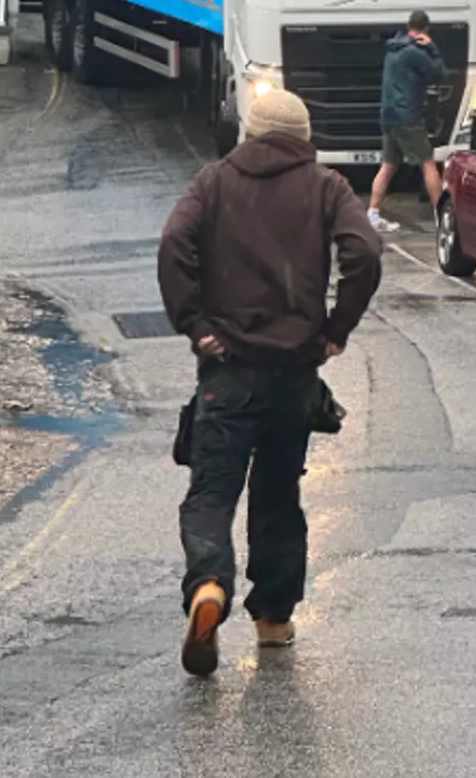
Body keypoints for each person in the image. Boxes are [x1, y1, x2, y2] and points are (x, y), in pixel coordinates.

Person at [158, 87, 382, 677]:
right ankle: (274, 620)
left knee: (211, 495)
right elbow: (364, 252)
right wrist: (336, 327)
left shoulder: (213, 182)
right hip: (292, 376)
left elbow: (173, 243)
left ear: (250, 133)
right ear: (304, 138)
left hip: (227, 371)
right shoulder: (326, 186)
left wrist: (195, 324)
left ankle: (209, 585)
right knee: (279, 498)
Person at [368, 8, 448, 235]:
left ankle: (372, 214)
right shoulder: (414, 52)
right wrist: (431, 47)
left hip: (388, 115)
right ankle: (442, 216)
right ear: (425, 29)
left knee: (388, 165)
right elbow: (439, 74)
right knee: (428, 162)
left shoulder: (393, 50)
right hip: (407, 116)